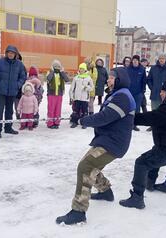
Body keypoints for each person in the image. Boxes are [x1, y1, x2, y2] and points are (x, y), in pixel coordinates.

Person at [56, 67, 136, 225]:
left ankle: (78, 211)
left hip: (114, 143)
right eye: (109, 77)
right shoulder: (118, 94)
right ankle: (106, 191)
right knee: (89, 164)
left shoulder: (123, 97)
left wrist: (82, 120)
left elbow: (105, 117)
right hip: (107, 139)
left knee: (86, 166)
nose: (109, 80)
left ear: (120, 79)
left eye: (112, 77)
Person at [119, 78, 166, 209]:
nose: (161, 93)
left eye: (163, 90)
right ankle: (149, 182)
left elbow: (151, 118)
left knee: (141, 163)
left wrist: (130, 117)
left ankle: (137, 197)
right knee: (154, 154)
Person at [0, 45, 27, 138]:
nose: (11, 54)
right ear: (6, 53)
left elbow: (23, 76)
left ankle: (8, 128)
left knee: (9, 111)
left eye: (13, 53)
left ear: (16, 54)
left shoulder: (19, 64)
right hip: (1, 91)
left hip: (12, 92)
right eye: (9, 53)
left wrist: (17, 85)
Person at [46, 60, 69, 129]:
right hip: (51, 94)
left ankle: (56, 122)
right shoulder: (50, 73)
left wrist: (62, 72)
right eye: (55, 66)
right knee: (51, 109)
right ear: (52, 67)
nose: (57, 67)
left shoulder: (61, 73)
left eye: (58, 66)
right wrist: (52, 71)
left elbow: (67, 79)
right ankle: (50, 123)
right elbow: (48, 79)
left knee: (58, 109)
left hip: (59, 94)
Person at [69, 63, 94, 128]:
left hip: (84, 98)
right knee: (76, 111)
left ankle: (84, 123)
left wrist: (86, 88)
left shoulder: (88, 78)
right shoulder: (76, 77)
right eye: (80, 68)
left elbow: (92, 87)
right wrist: (71, 96)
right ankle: (75, 122)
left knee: (85, 111)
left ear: (85, 70)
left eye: (82, 69)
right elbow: (72, 88)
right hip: (77, 98)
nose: (81, 70)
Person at [127, 55, 147, 131]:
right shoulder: (128, 69)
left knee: (137, 109)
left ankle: (134, 124)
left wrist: (142, 91)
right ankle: (127, 123)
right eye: (134, 60)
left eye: (136, 60)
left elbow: (144, 80)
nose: (135, 61)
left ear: (138, 61)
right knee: (128, 108)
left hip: (138, 93)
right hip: (129, 92)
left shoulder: (142, 69)